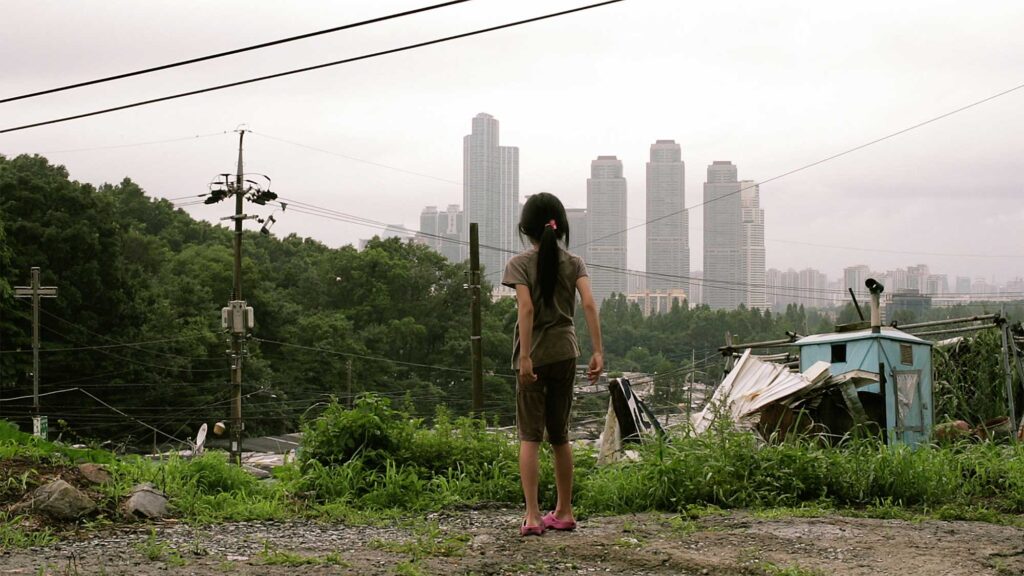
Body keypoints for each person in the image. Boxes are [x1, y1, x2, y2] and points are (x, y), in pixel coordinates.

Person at [501, 192, 604, 536]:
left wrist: (526, 355)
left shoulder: (518, 264)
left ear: (524, 228)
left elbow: (526, 309)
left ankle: (532, 516)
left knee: (530, 437)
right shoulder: (575, 263)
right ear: (561, 227)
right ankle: (564, 511)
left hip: (535, 357)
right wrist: (598, 351)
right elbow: (589, 304)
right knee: (560, 436)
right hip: (566, 353)